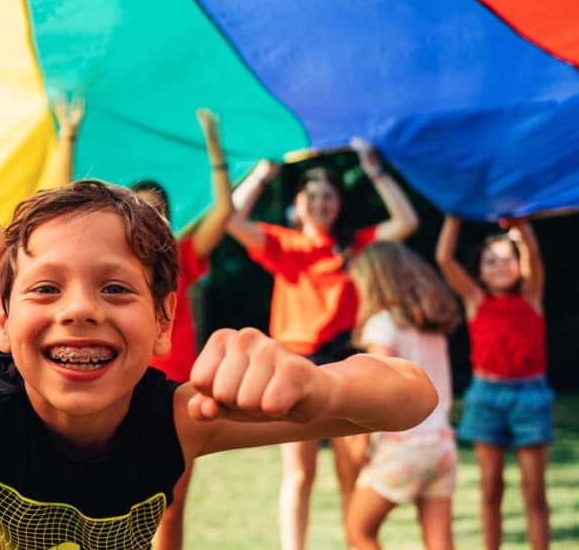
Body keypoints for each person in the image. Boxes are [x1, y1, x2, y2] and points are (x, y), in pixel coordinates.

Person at [0, 180, 437, 549]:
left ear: (164, 324)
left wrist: (314, 385)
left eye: (117, 288)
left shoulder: (185, 420)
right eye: (44, 287)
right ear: (2, 322)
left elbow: (411, 395)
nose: (80, 309)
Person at [49, 101, 232, 550]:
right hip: (115, 391)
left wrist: (213, 145)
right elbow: (57, 218)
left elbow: (224, 212)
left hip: (174, 392)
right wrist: (68, 136)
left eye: (160, 213)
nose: (153, 220)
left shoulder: (181, 255)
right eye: (142, 212)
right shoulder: (105, 262)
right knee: (103, 502)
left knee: (173, 501)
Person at [226, 139, 419, 550]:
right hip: (294, 363)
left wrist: (373, 168)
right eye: (311, 195)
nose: (320, 202)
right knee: (299, 473)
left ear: (340, 204)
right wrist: (263, 173)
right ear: (299, 203)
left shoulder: (357, 245)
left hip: (347, 362)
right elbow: (229, 219)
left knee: (352, 471)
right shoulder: (283, 244)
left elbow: (406, 221)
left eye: (328, 195)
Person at [436, 216, 552, 550]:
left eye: (507, 259)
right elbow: (444, 258)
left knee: (534, 488)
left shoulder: (531, 296)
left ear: (519, 265)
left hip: (529, 396)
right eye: (491, 261)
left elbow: (533, 255)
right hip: (486, 397)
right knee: (490, 487)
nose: (500, 266)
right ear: (480, 271)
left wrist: (524, 231)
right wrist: (455, 216)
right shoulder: (475, 301)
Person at [344, 242, 461, 550]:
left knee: (359, 531)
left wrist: (360, 441)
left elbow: (376, 389)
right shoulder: (429, 321)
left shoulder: (382, 325)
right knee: (440, 543)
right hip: (442, 445)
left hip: (403, 449)